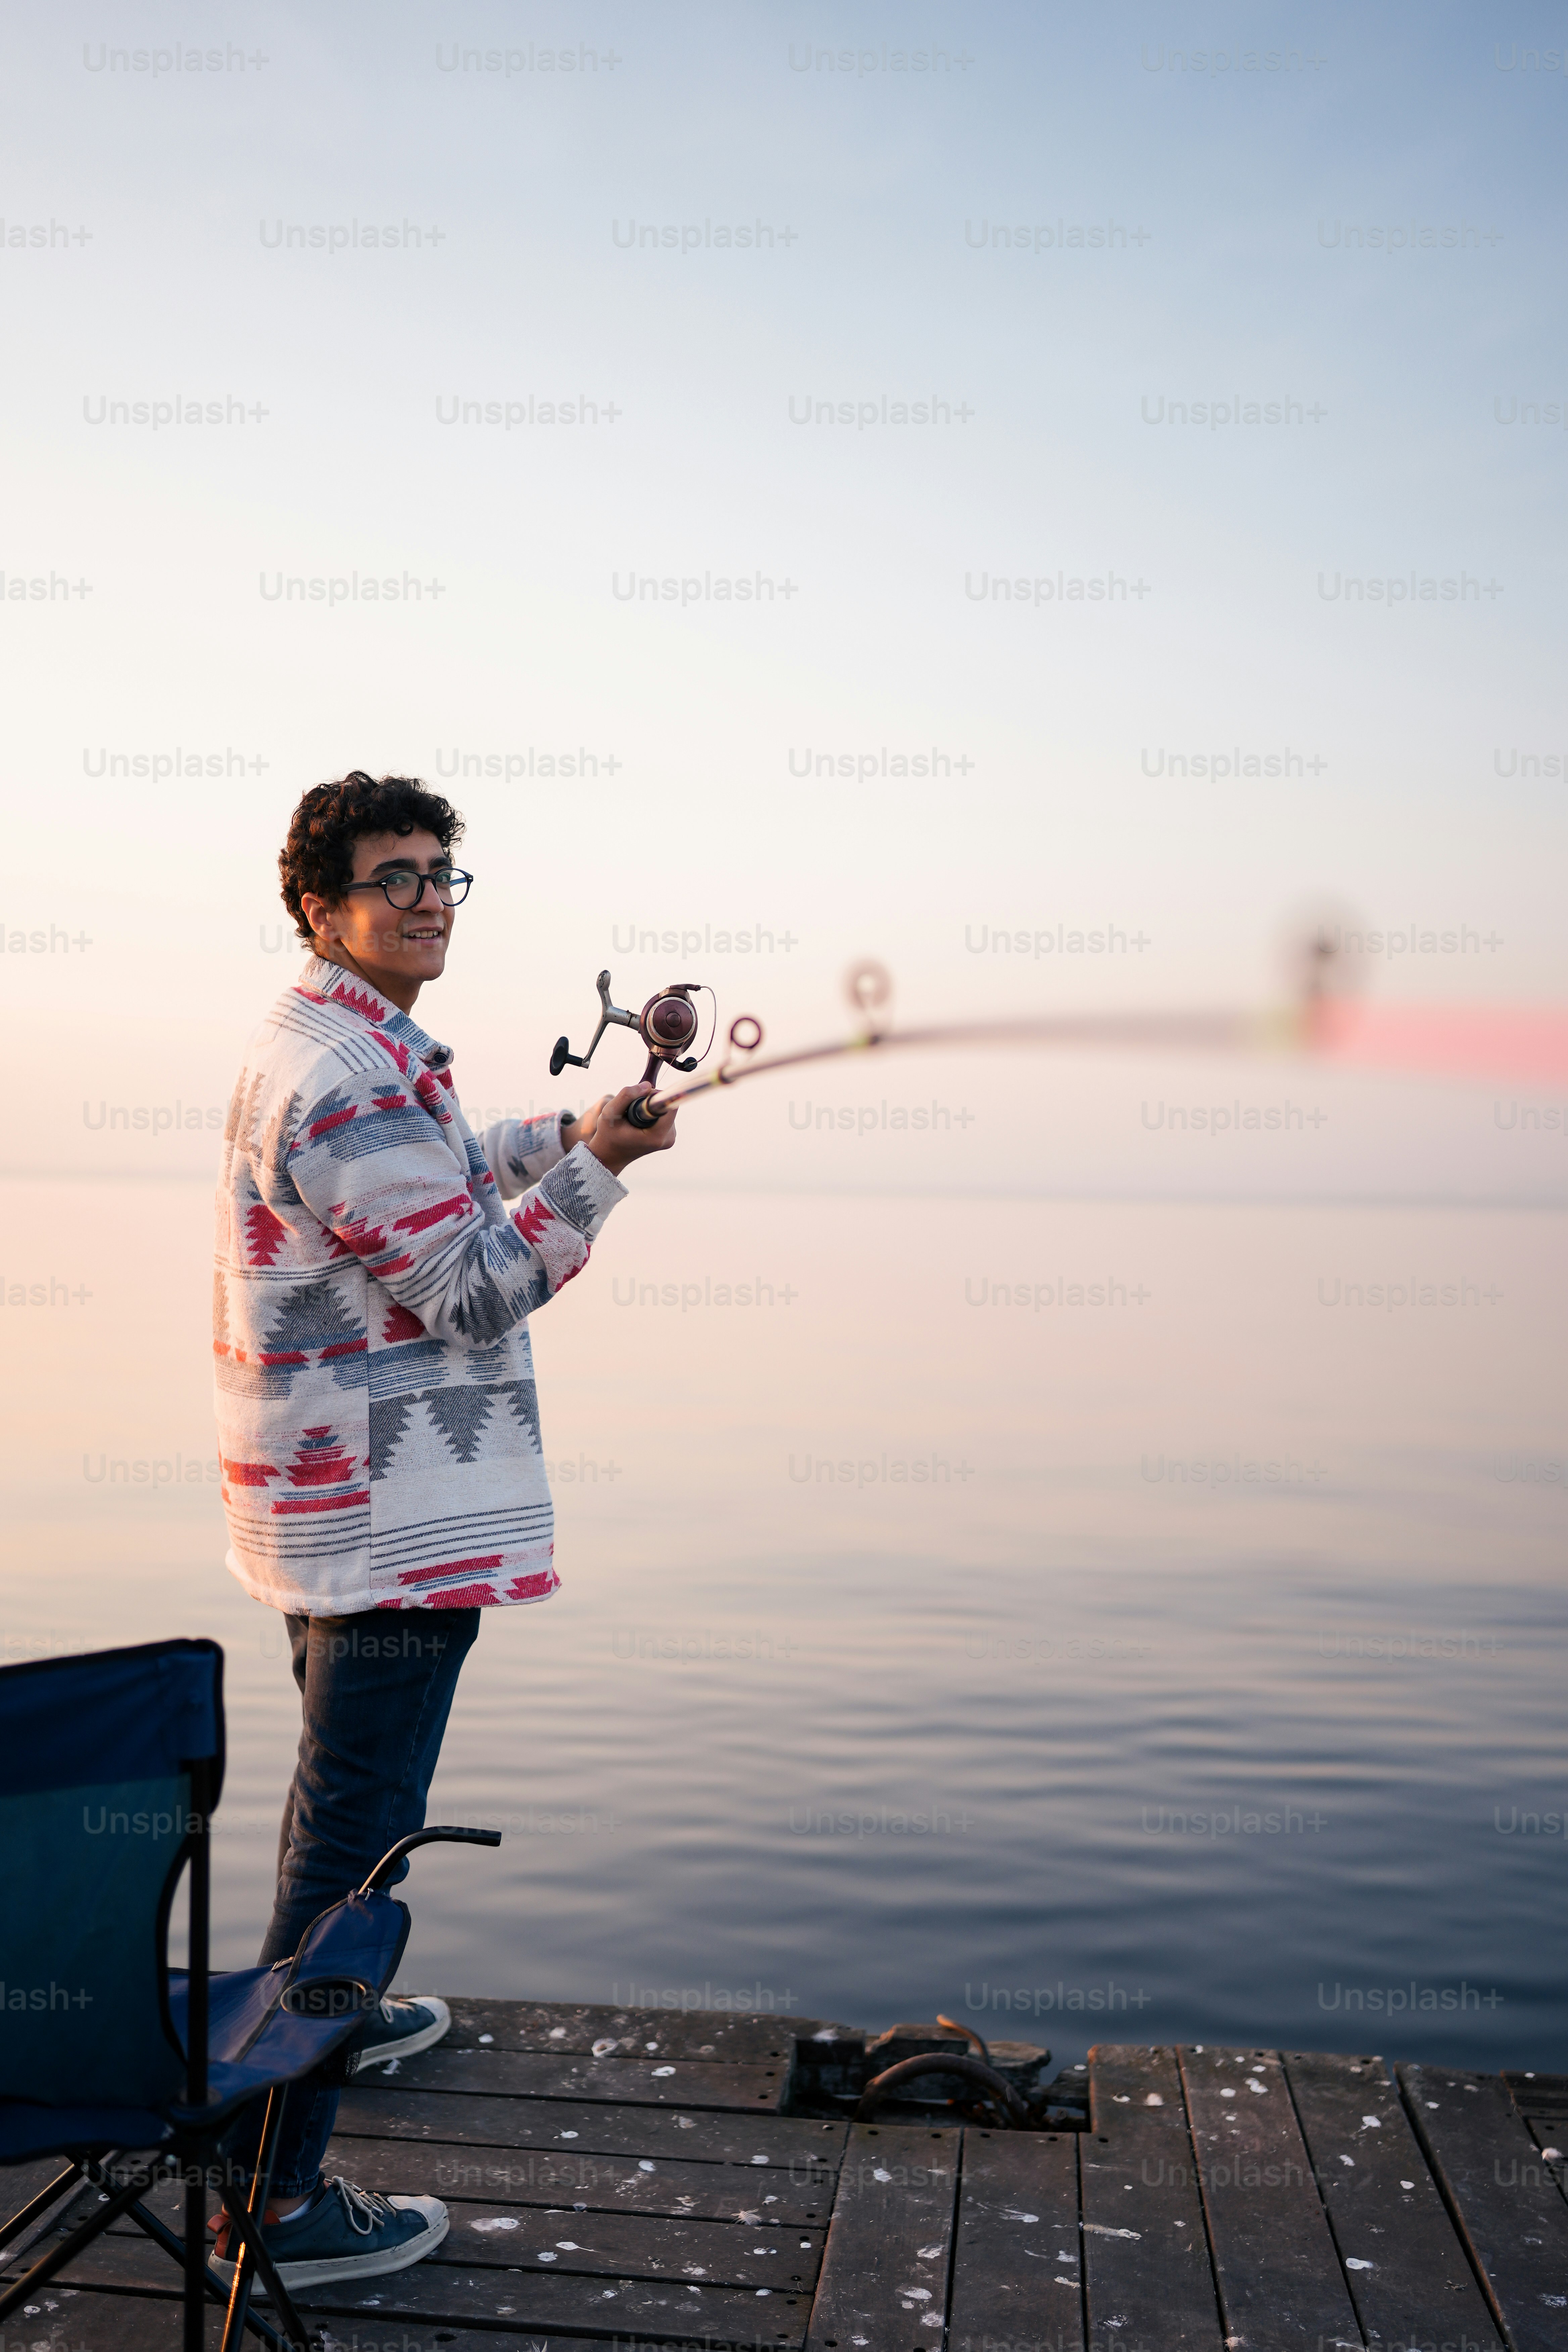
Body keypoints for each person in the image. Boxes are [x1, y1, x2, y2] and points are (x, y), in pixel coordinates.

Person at [209, 770, 676, 2290]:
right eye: (391, 877)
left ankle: (326, 2008)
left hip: (342, 1505)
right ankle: (273, 2194)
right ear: (319, 906)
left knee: (336, 1812)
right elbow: (470, 1287)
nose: (424, 898)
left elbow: (448, 1178)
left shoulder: (350, 1046)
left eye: (440, 875)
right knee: (354, 1849)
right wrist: (603, 1176)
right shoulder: (341, 1074)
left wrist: (566, 1133)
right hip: (387, 1522)